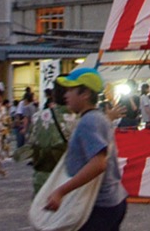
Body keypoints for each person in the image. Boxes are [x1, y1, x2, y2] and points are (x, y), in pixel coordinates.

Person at [43, 68, 128, 231]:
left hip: (98, 206)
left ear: (85, 94)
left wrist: (60, 191)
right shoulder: (97, 118)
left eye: (71, 90)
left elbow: (98, 163)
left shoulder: (88, 122)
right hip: (111, 200)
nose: (66, 95)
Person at [22, 85, 78, 196]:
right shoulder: (78, 119)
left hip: (42, 177)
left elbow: (31, 143)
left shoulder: (38, 116)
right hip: (68, 178)